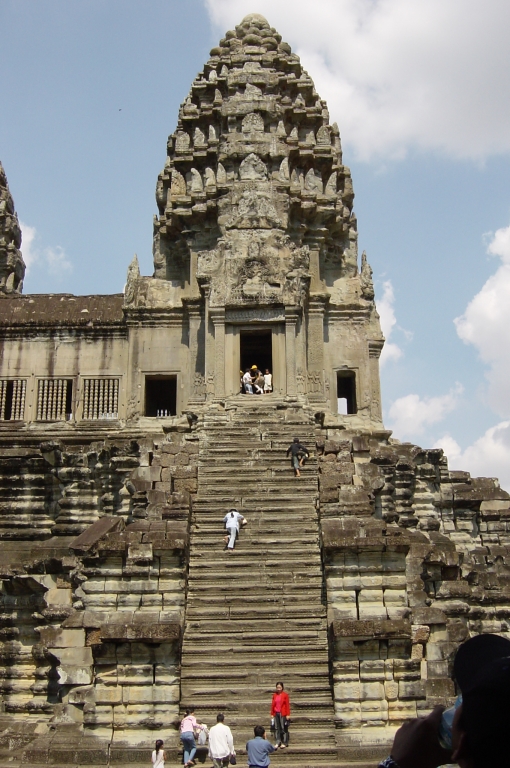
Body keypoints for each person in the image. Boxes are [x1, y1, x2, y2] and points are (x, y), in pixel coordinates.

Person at [270, 681, 290, 748]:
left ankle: (284, 742)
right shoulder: (274, 695)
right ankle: (277, 741)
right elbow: (273, 705)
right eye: (277, 687)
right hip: (276, 713)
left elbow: (287, 705)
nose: (278, 688)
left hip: (283, 713)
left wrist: (288, 714)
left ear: (282, 688)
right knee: (276, 728)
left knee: (283, 728)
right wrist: (272, 713)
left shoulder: (285, 695)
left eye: (280, 687)